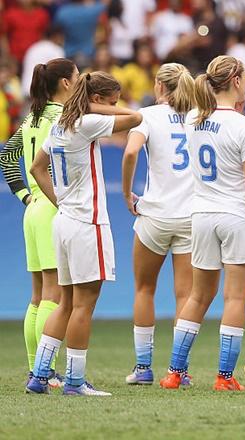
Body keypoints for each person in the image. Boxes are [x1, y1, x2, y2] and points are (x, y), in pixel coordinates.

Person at [158, 55, 245, 391]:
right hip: (237, 216)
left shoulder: (194, 119)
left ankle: (174, 372)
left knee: (198, 296)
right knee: (235, 298)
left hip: (202, 215)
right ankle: (224, 377)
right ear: (237, 80)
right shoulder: (244, 126)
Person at [26, 71, 142, 395]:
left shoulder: (60, 125)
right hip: (87, 223)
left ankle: (39, 375)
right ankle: (75, 381)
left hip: (64, 221)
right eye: (111, 101)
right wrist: (99, 108)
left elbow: (36, 168)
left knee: (65, 303)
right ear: (97, 100)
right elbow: (135, 117)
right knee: (83, 306)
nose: (115, 107)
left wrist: (59, 201)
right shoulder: (85, 123)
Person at [0, 58, 78, 387]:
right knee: (54, 295)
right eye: (77, 77)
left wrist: (24, 196)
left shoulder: (32, 118)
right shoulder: (62, 117)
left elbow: (6, 156)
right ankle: (45, 371)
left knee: (37, 296)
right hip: (51, 208)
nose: (79, 83)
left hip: (33, 209)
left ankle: (37, 368)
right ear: (64, 83)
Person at [122, 63, 195, 386]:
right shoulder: (200, 117)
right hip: (192, 217)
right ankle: (179, 370)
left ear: (159, 86)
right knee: (186, 296)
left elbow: (130, 152)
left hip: (155, 215)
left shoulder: (147, 115)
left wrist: (127, 193)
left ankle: (142, 368)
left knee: (144, 288)